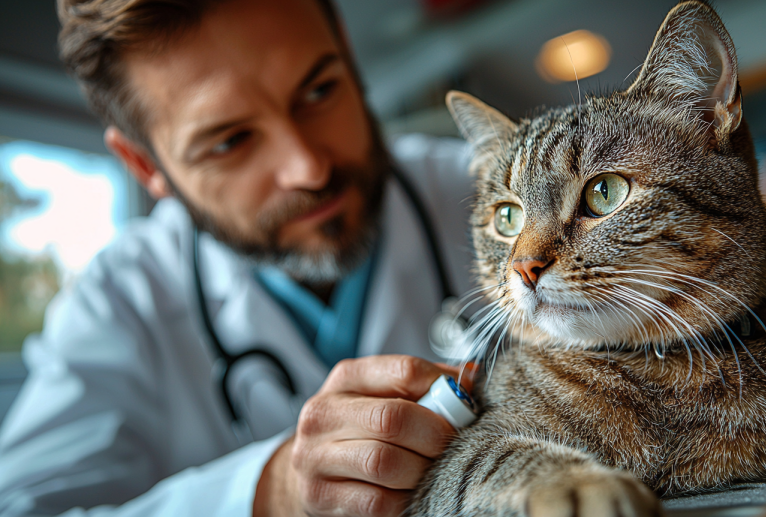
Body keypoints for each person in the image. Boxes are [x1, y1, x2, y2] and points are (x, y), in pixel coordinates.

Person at [0, 0, 476, 515]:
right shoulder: (120, 299)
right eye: (230, 142)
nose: (308, 168)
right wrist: (272, 492)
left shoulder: (497, 197)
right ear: (144, 165)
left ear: (343, 43)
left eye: (319, 91)